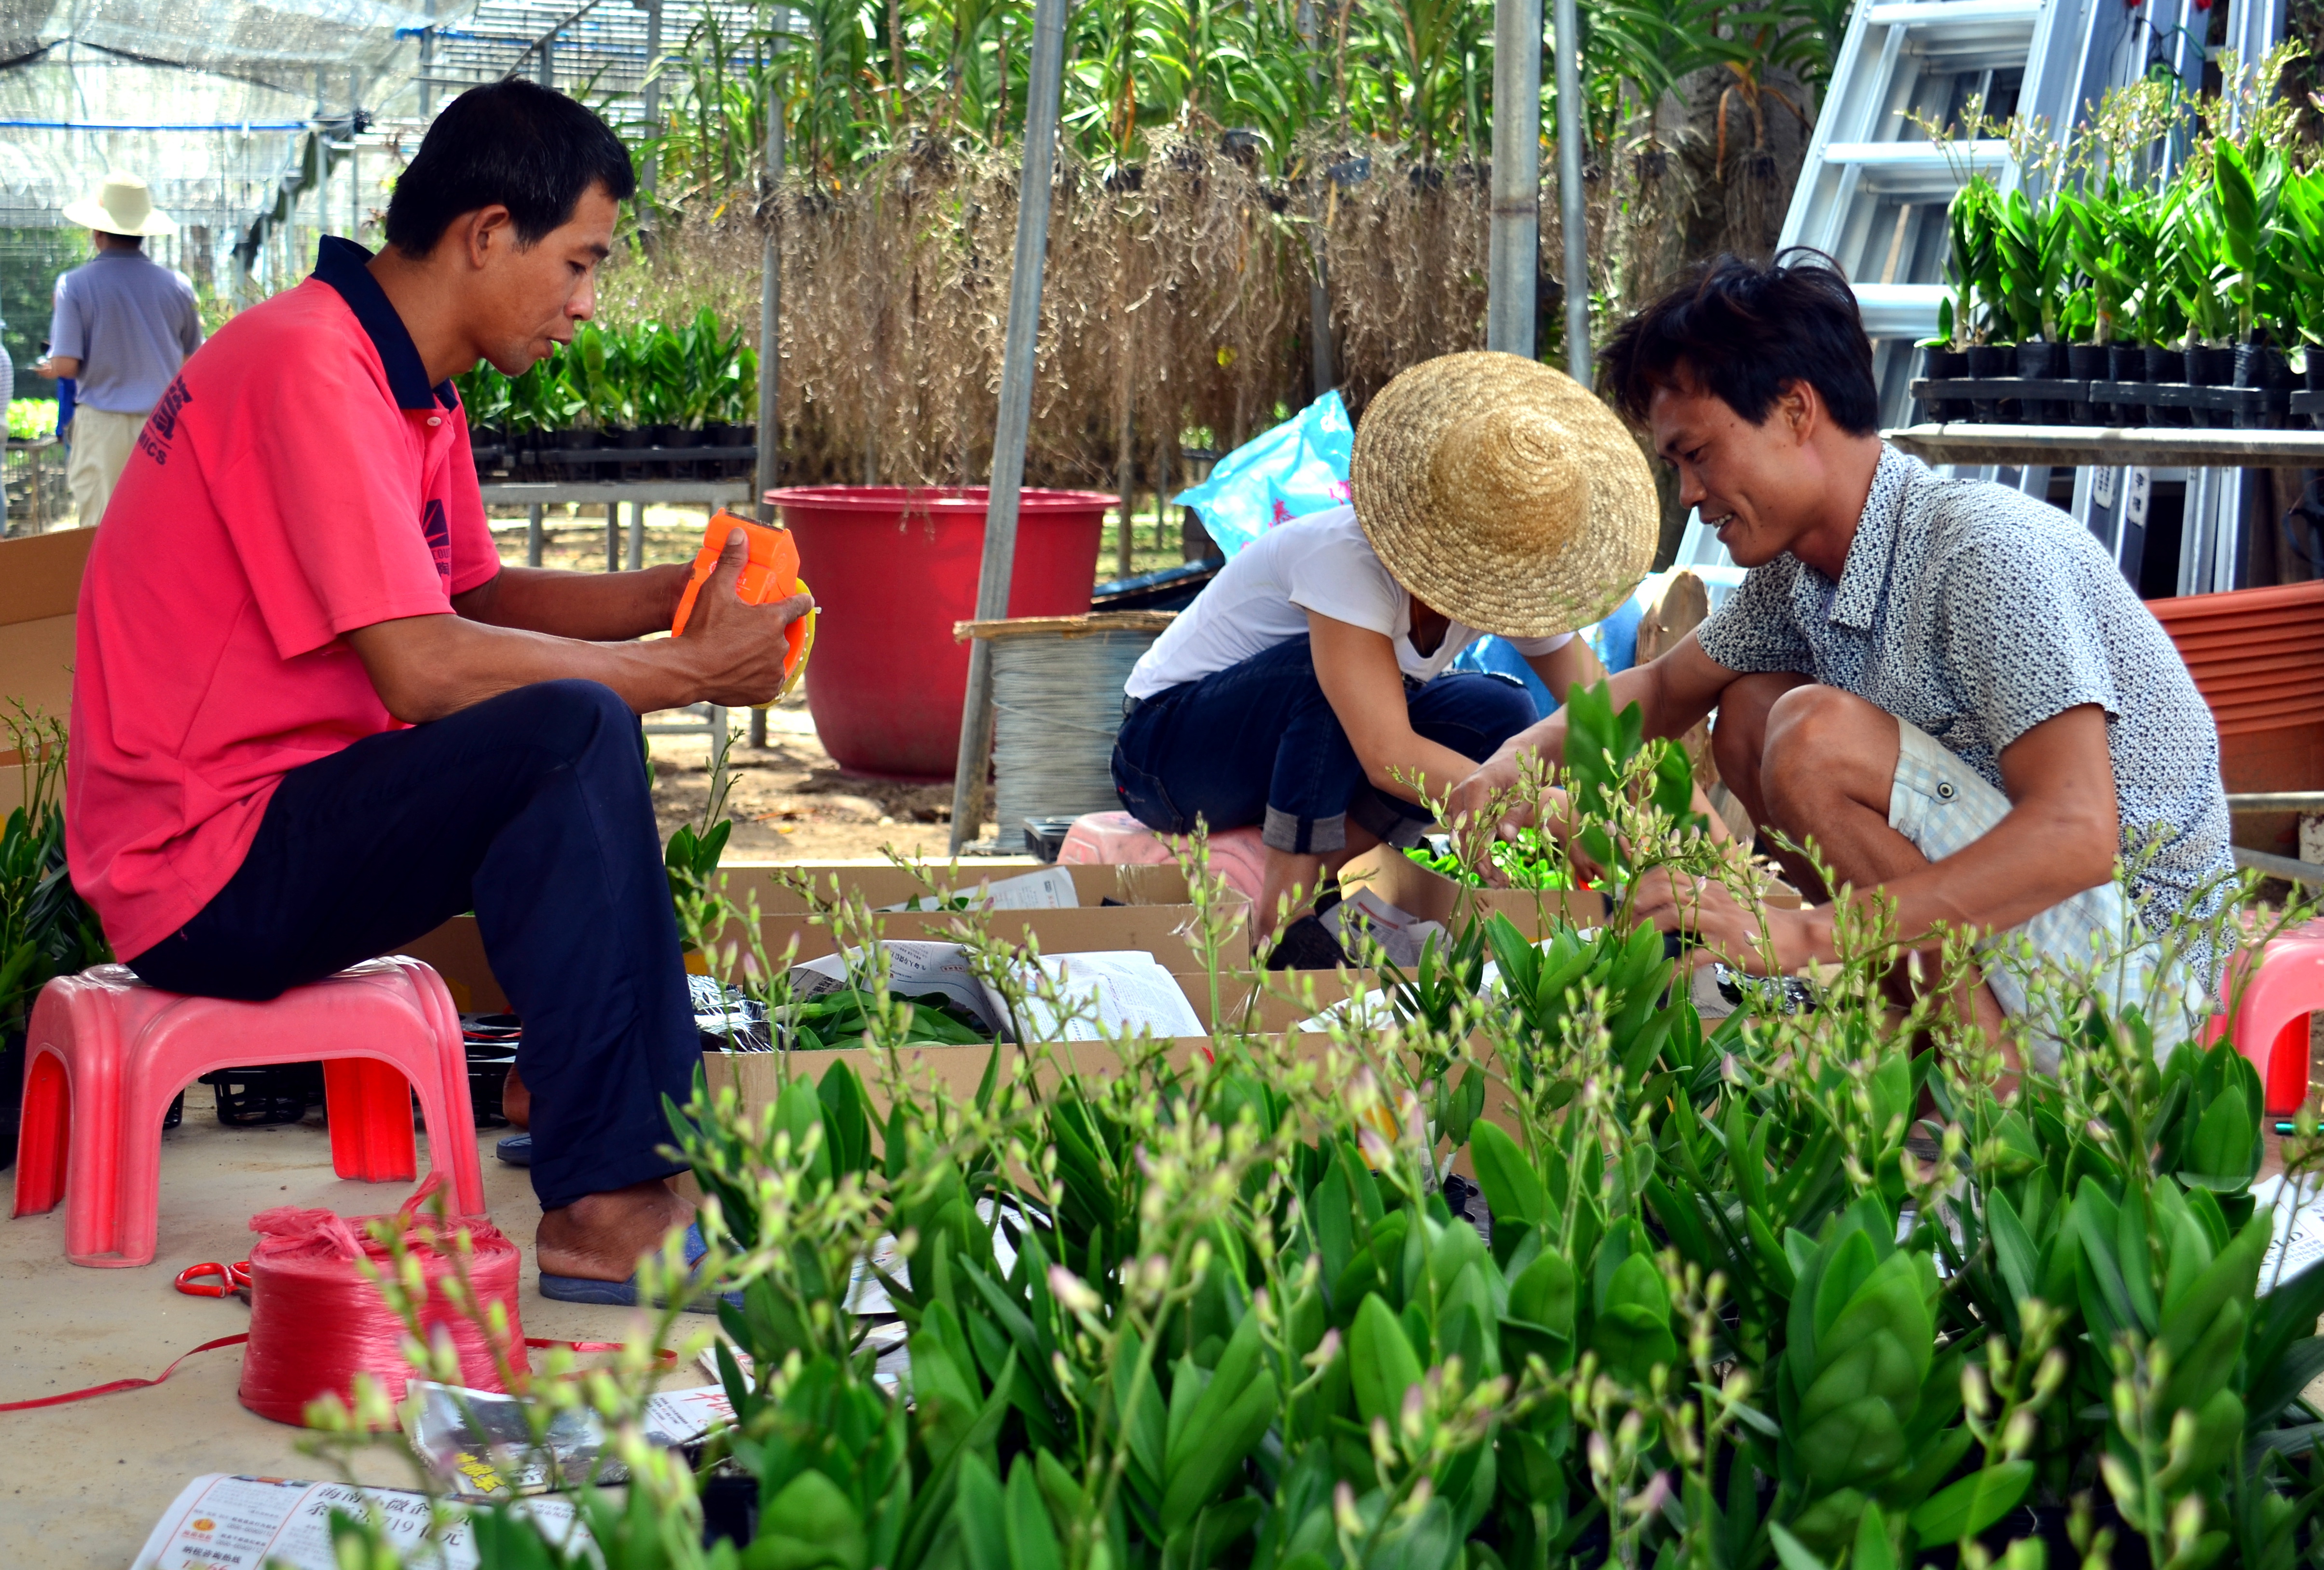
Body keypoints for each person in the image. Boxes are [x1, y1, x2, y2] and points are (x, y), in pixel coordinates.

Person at [66, 81, 810, 1305]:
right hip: (198, 870)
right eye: (579, 263)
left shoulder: (409, 384)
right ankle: (606, 1206)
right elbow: (423, 665)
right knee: (572, 729)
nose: (586, 302)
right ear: (486, 233)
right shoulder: (309, 364)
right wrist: (683, 674)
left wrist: (673, 595)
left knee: (570, 722)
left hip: (286, 819)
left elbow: (476, 595)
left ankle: (577, 1100)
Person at [1449, 253, 2234, 1059]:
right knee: (1750, 708)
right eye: (1675, 466)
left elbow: (2076, 834)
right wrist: (1509, 767)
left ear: (1795, 409)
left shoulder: (1982, 549)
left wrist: (1804, 934)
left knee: (1811, 735)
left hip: (2138, 986)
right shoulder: (1800, 574)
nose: (1689, 494)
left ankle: (1998, 1100)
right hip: (2027, 945)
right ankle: (1920, 1028)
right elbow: (1664, 688)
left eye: (1698, 454)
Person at [1113, 351, 1664, 931]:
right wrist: (1537, 805)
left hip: (1290, 759)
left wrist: (1658, 828)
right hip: (1166, 756)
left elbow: (1609, 712)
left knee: (1496, 709)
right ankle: (1282, 922)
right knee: (1326, 681)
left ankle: (1329, 872)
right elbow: (1386, 754)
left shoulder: (1507, 584)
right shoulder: (1345, 557)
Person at [36, 174, 202, 527]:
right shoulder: (178, 286)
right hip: (164, 426)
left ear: (97, 232)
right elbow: (193, 362)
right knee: (161, 527)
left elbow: (66, 365)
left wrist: (55, 363)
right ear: (143, 233)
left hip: (103, 426)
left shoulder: (74, 285)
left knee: (100, 530)